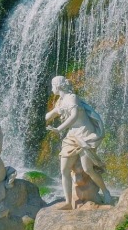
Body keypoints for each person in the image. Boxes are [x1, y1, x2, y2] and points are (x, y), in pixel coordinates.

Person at [46, 76, 111, 209]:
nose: (52, 89)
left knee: (88, 168)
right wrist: (53, 113)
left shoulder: (72, 98)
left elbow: (74, 116)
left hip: (85, 134)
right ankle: (68, 202)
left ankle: (105, 191)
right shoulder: (61, 101)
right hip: (72, 136)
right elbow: (48, 116)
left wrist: (59, 128)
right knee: (64, 169)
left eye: (53, 86)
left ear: (58, 86)